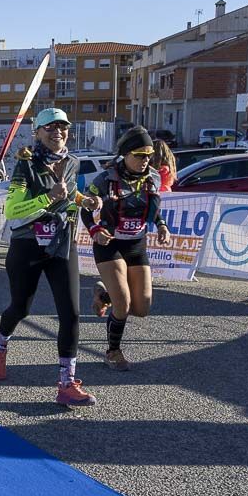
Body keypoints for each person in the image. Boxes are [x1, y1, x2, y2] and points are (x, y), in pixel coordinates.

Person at [0, 108, 103, 407]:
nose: (57, 132)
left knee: (71, 313)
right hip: (28, 243)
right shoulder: (26, 165)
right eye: (49, 127)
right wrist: (48, 198)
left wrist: (84, 201)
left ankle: (66, 383)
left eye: (62, 127)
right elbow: (12, 210)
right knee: (21, 308)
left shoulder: (73, 162)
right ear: (37, 132)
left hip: (62, 243)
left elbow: (71, 192)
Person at [84, 128, 171, 371]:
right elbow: (85, 210)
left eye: (148, 156)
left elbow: (155, 207)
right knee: (123, 304)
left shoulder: (152, 176)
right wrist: (94, 230)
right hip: (109, 244)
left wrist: (162, 226)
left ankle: (104, 295)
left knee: (141, 308)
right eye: (140, 155)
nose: (145, 160)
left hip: (136, 244)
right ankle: (113, 351)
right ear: (126, 155)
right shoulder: (106, 179)